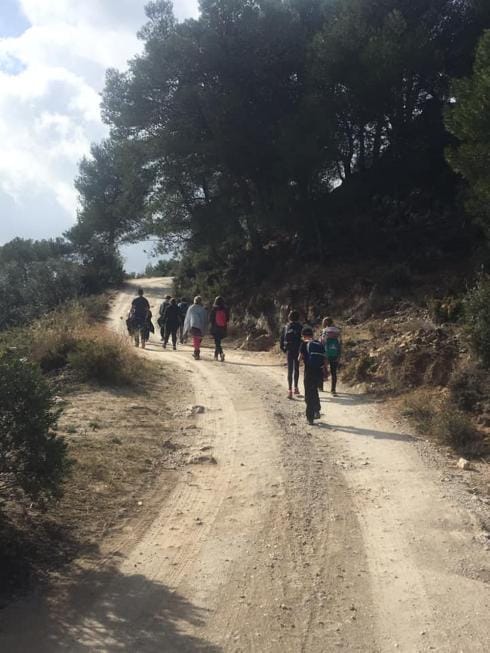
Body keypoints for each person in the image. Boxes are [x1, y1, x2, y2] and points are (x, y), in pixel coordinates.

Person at [300, 326, 327, 425]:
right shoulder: (319, 344)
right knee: (314, 390)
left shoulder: (303, 344)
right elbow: (324, 359)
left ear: (303, 336)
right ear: (312, 334)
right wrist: (325, 372)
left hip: (309, 371)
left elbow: (299, 358)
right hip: (318, 372)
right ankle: (317, 410)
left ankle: (310, 418)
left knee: (308, 393)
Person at [280, 310, 303, 399]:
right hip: (298, 350)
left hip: (289, 350)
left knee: (290, 370)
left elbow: (281, 340)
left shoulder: (286, 327)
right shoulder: (301, 327)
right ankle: (296, 388)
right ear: (298, 317)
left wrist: (284, 350)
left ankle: (289, 390)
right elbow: (303, 340)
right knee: (296, 369)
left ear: (289, 317)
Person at [321, 317, 342, 396]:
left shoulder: (325, 331)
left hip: (326, 354)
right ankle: (333, 390)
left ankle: (320, 387)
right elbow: (340, 343)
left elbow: (322, 342)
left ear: (325, 323)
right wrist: (339, 354)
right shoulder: (337, 331)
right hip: (335, 353)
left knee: (323, 369)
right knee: (334, 372)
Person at [183, 295, 207, 359]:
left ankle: (196, 353)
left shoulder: (191, 308)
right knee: (197, 339)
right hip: (200, 326)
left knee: (196, 339)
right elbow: (205, 319)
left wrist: (186, 329)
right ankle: (196, 352)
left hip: (193, 325)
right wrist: (204, 329)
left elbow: (188, 319)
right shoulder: (202, 309)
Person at [209, 296, 230, 361]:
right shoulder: (226, 309)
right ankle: (216, 356)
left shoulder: (214, 309)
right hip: (223, 328)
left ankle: (221, 353)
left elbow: (210, 319)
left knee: (217, 342)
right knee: (218, 342)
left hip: (215, 328)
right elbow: (227, 319)